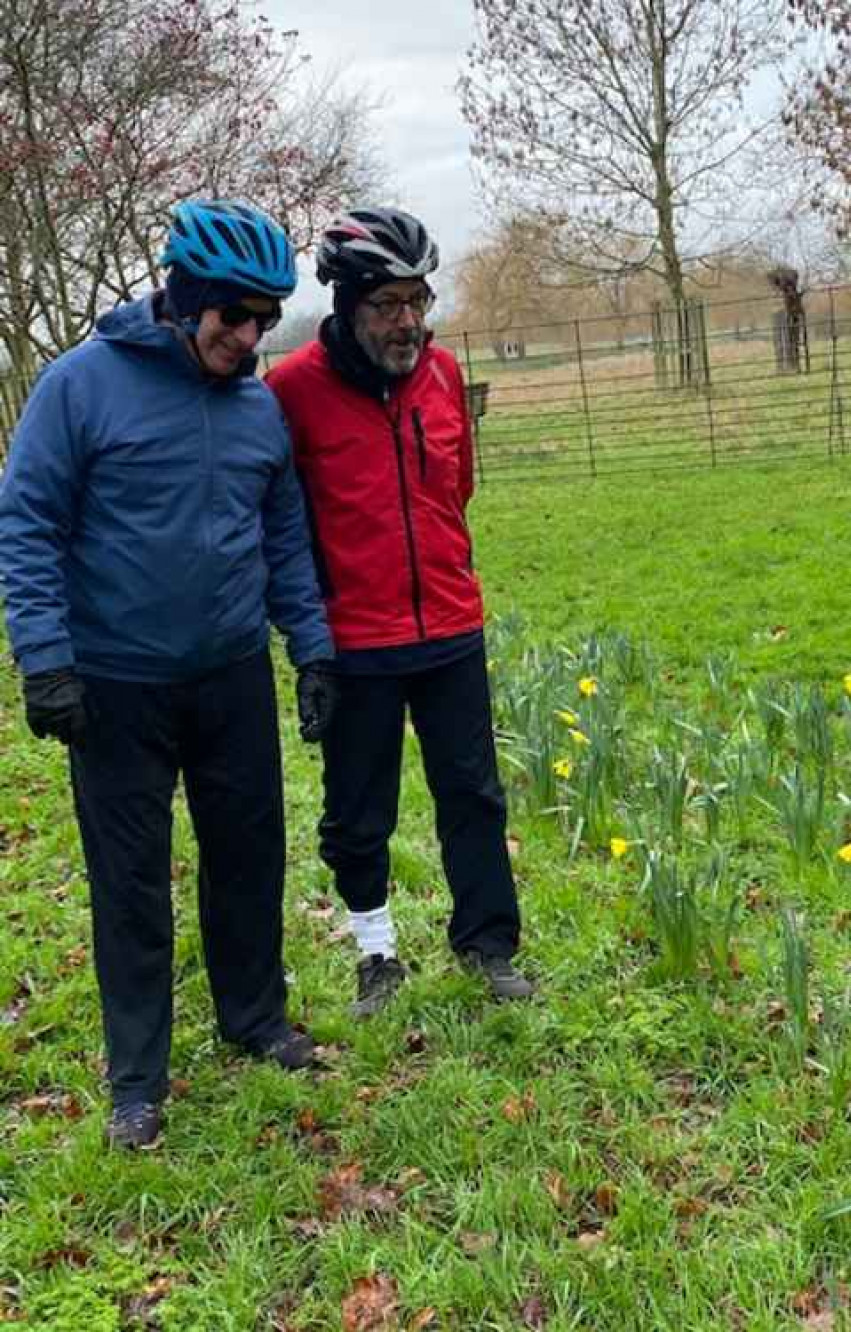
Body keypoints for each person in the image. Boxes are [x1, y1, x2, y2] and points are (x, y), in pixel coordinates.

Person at [0, 200, 339, 1149]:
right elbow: (27, 524)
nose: (249, 336)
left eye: (267, 318)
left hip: (229, 675)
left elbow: (282, 535)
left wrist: (309, 646)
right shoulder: (80, 388)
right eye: (233, 315)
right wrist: (46, 660)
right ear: (182, 299)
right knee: (132, 882)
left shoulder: (257, 409)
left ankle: (254, 1018)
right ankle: (138, 1079)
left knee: (248, 859)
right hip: (115, 685)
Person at [265, 206, 534, 1018]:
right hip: (355, 638)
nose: (408, 321)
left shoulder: (446, 377)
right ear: (345, 306)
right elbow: (280, 522)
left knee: (474, 796)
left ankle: (487, 945)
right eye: (388, 305)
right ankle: (376, 953)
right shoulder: (290, 393)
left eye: (418, 300)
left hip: (451, 624)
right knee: (358, 808)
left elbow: (458, 489)